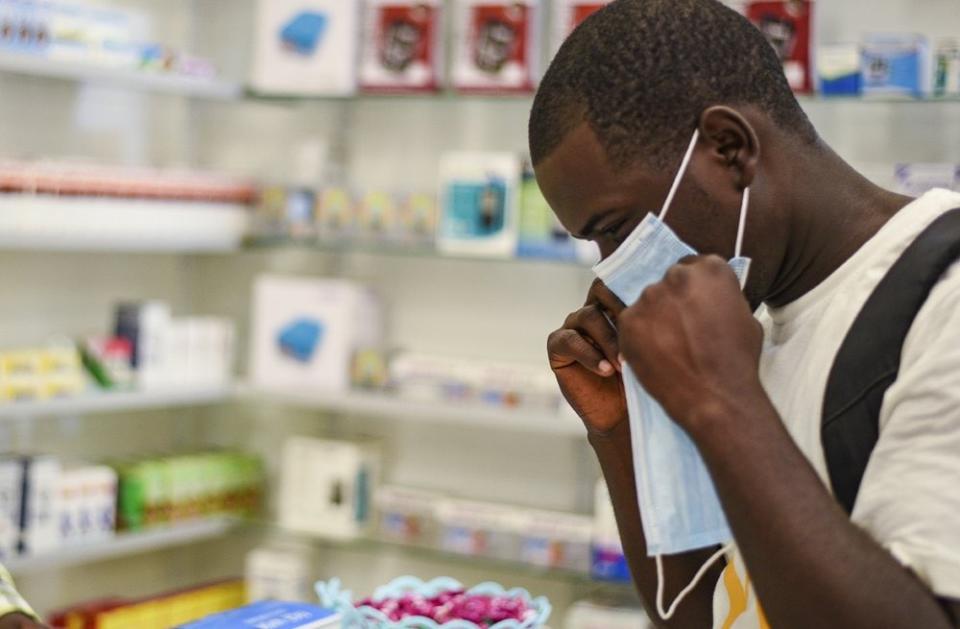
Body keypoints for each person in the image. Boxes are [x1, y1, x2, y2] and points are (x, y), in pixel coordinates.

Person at [528, 1, 960, 628]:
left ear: (730, 149)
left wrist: (719, 401)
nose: (613, 269)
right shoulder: (748, 315)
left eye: (618, 230)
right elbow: (708, 615)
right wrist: (623, 431)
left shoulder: (939, 300)